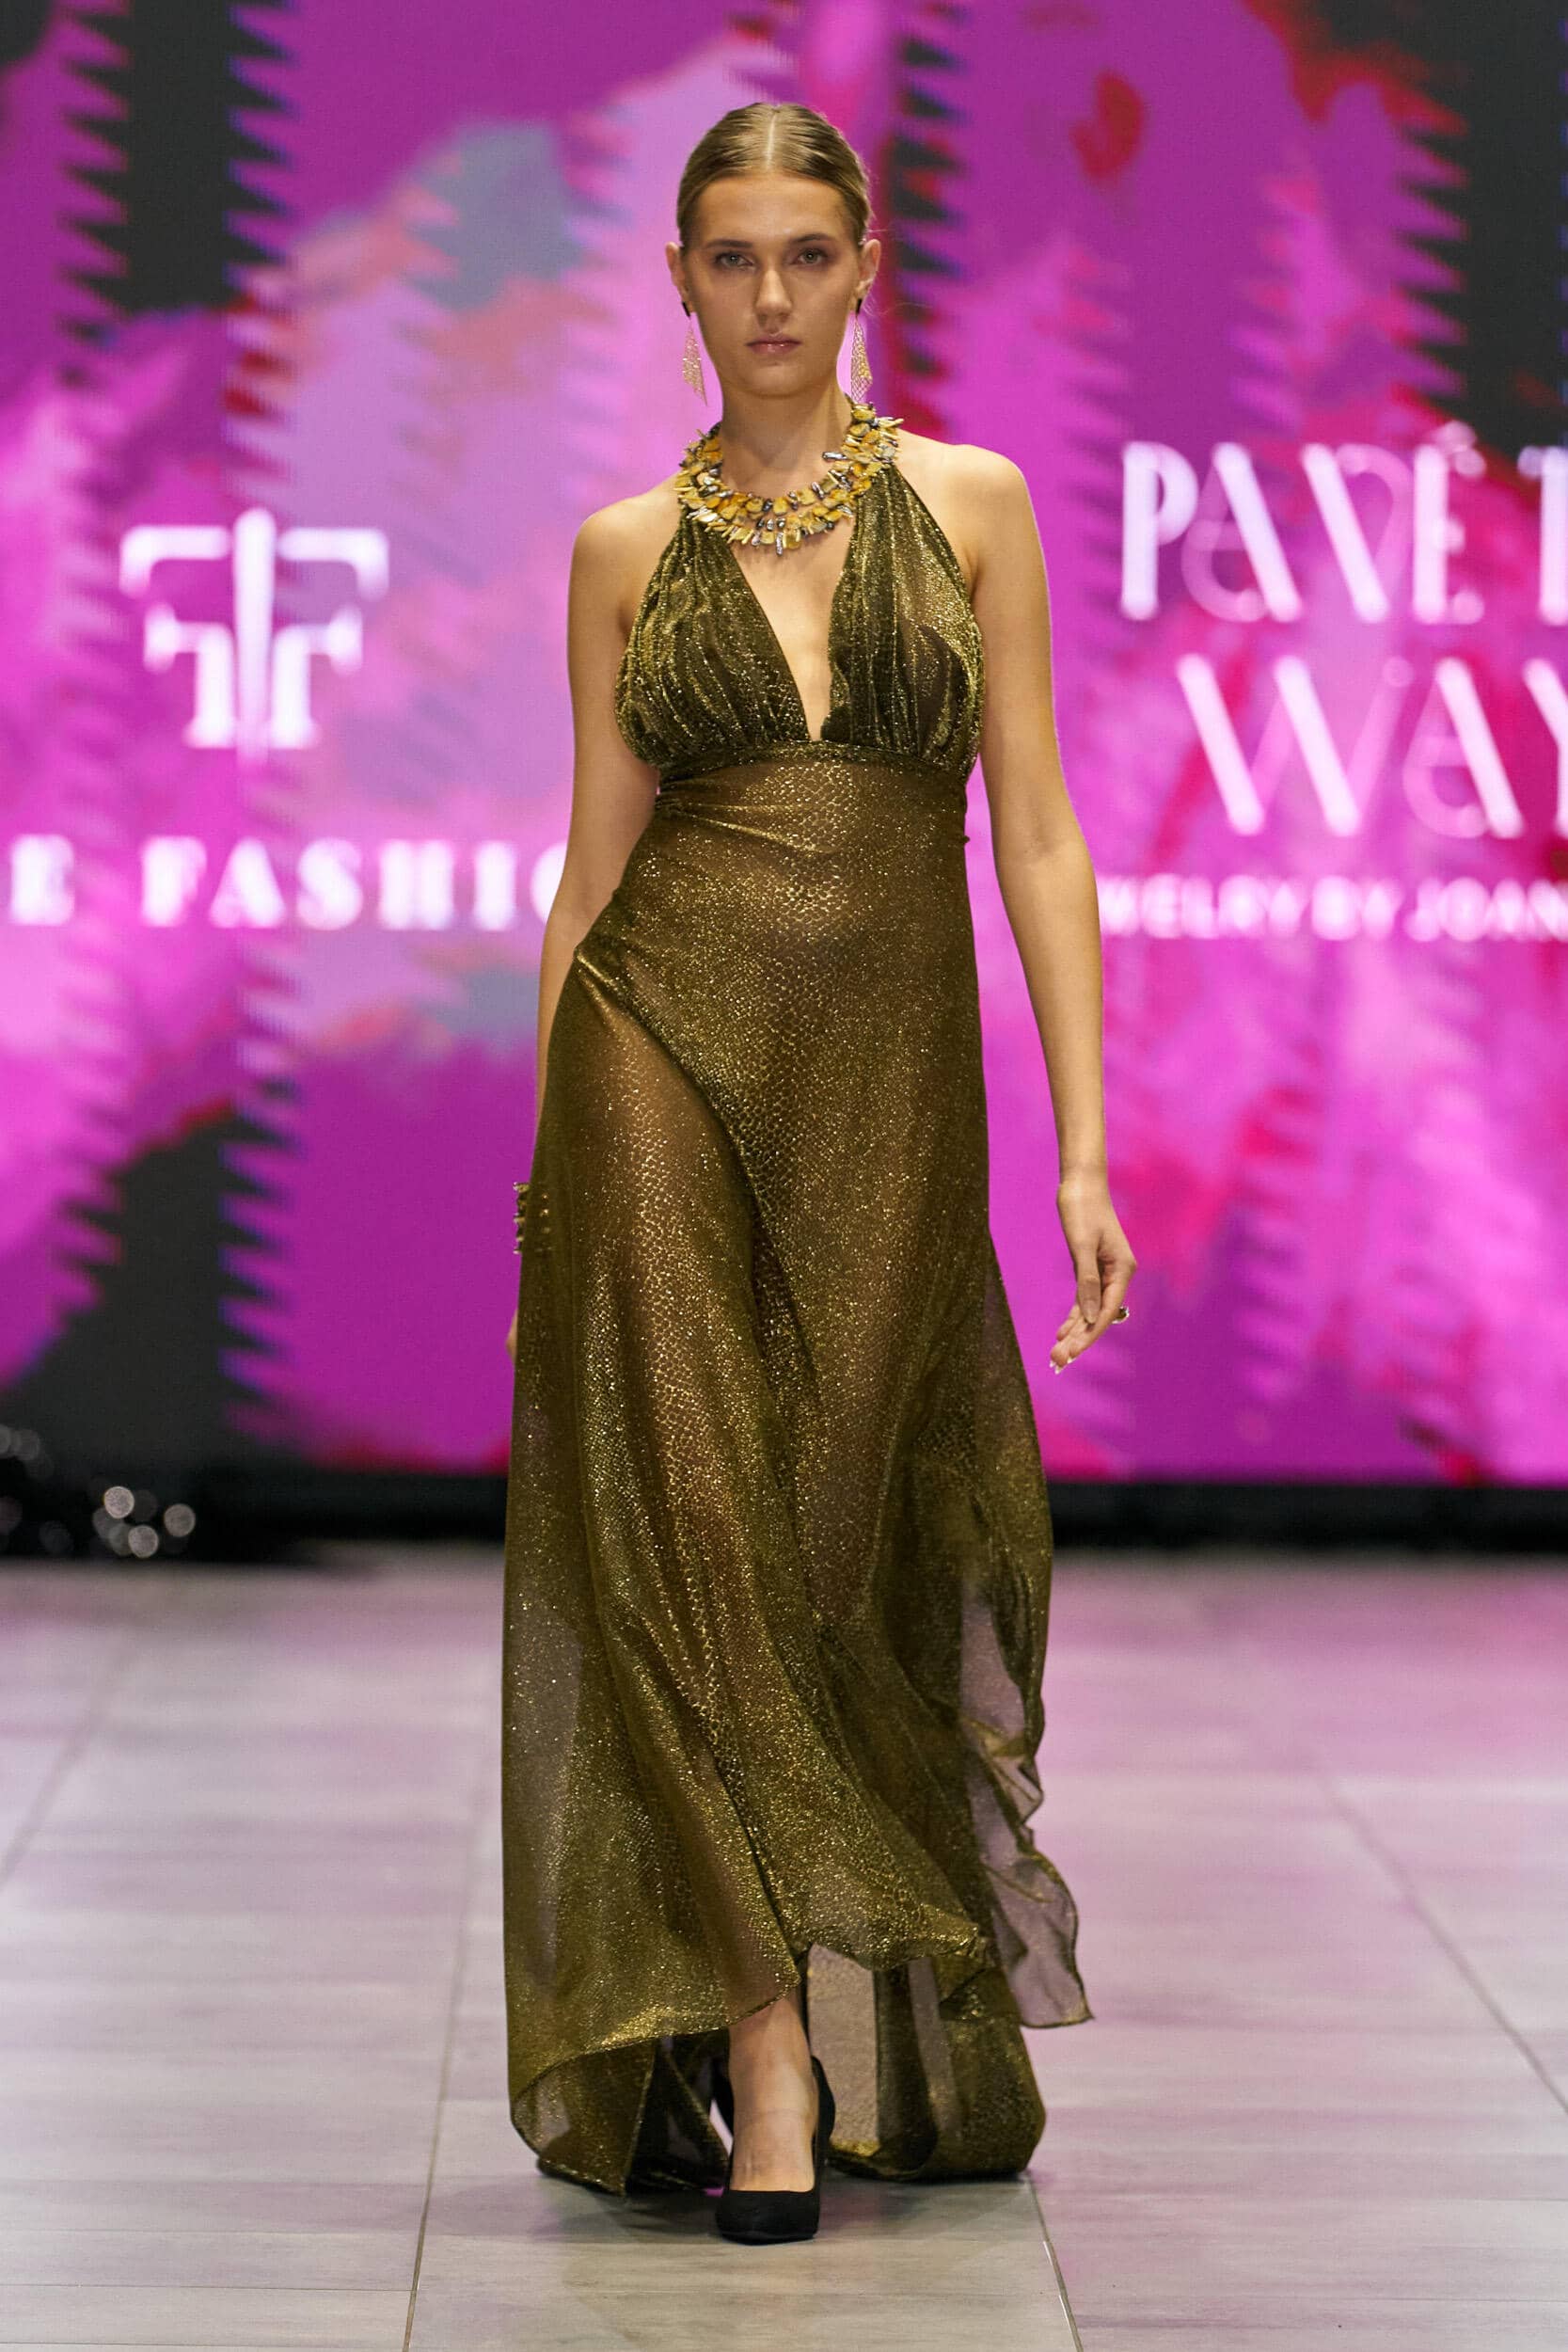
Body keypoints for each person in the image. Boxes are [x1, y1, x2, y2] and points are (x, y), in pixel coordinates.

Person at [500, 99, 1134, 2247]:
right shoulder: (620, 549)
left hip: (887, 1081)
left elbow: (1035, 831)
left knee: (833, 1538)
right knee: (682, 1529)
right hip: (652, 1056)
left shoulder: (973, 506)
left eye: (805, 253)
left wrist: (1083, 1148)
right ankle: (767, 2045)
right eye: (730, 257)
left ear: (865, 266)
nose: (769, 295)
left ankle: (801, 2005)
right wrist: (550, 1161)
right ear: (680, 282)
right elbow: (592, 873)